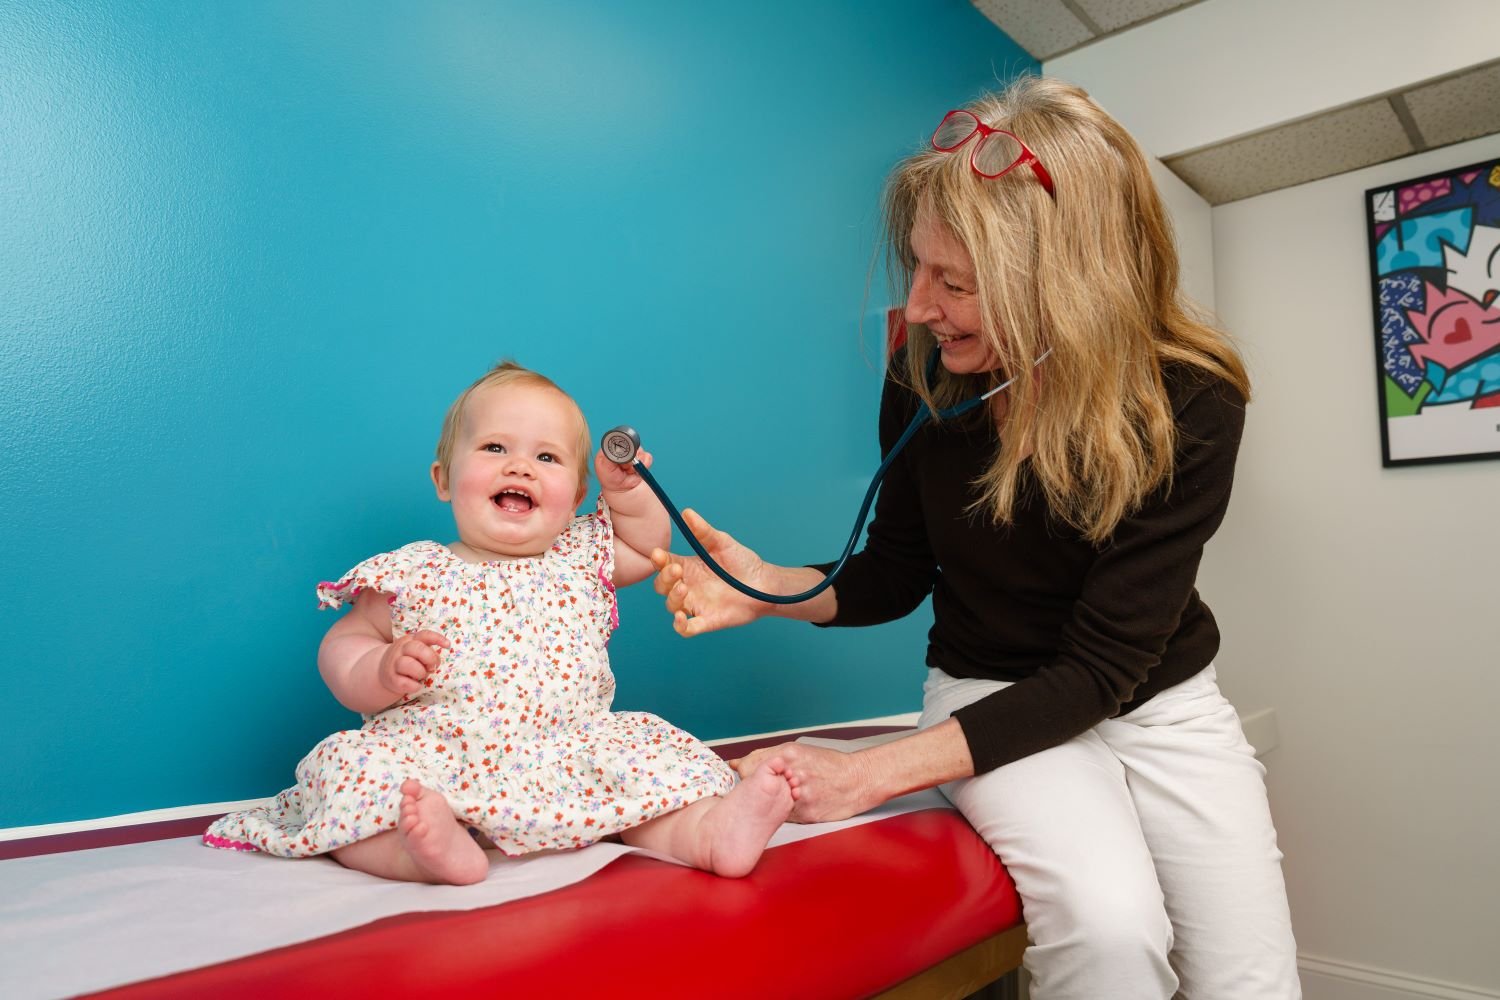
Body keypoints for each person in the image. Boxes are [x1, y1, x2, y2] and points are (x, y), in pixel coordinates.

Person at [649, 77, 1300, 998]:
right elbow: (894, 572)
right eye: (917, 268)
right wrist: (768, 586)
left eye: (952, 283)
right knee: (1111, 936)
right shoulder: (925, 377)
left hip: (1157, 700)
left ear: (1066, 287)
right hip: (985, 682)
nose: (917, 309)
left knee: (1253, 982)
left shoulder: (1191, 399)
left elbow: (1099, 673)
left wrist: (871, 775)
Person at [205, 361, 794, 884]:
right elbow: (343, 646)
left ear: (575, 495)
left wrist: (628, 492)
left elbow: (645, 545)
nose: (521, 466)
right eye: (494, 448)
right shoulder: (413, 572)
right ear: (443, 479)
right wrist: (381, 669)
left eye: (546, 456)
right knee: (348, 767)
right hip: (437, 758)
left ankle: (710, 833)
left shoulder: (578, 555)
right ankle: (421, 851)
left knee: (652, 760)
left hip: (569, 754)